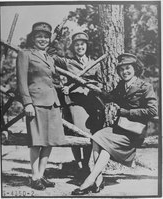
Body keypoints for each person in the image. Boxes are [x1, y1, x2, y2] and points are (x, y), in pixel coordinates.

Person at [71, 53, 158, 195]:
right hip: (120, 127)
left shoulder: (145, 86)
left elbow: (152, 111)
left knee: (105, 147)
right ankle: (98, 181)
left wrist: (127, 112)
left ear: (135, 68)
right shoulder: (121, 85)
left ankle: (89, 181)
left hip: (134, 132)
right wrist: (93, 88)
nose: (125, 72)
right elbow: (110, 96)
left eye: (128, 68)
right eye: (122, 69)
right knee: (96, 137)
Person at [16, 22, 82, 190]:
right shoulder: (25, 54)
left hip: (53, 103)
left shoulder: (50, 58)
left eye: (46, 37)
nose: (43, 39)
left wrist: (63, 88)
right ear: (33, 38)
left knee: (50, 141)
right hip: (36, 102)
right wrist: (27, 103)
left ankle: (42, 174)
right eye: (39, 36)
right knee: (36, 140)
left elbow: (52, 81)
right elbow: (21, 81)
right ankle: (34, 176)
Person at [61, 32, 105, 177]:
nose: (80, 47)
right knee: (78, 131)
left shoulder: (95, 62)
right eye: (77, 45)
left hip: (91, 102)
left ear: (87, 46)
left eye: (82, 44)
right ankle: (79, 163)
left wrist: (92, 84)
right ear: (73, 47)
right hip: (75, 102)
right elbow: (51, 56)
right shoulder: (68, 62)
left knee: (89, 133)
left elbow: (100, 82)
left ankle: (85, 164)